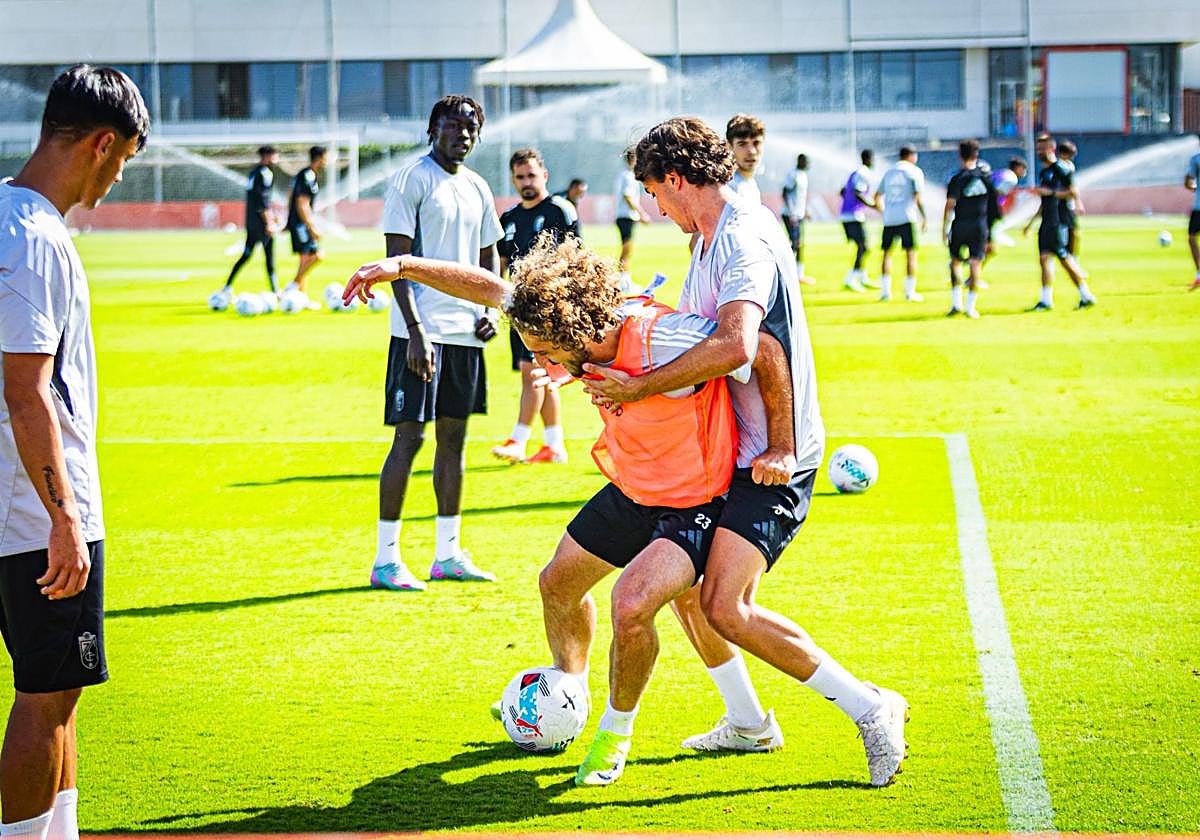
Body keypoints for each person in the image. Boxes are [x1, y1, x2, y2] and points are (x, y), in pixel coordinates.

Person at [343, 233, 797, 787]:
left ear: (574, 332)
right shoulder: (555, 317)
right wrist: (401, 266)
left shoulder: (662, 334)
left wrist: (783, 446)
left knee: (649, 605)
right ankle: (570, 693)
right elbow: (491, 289)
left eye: (543, 349)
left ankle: (616, 734)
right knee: (558, 582)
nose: (537, 359)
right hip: (635, 485)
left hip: (699, 495)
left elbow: (760, 349)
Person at [581, 117, 908, 788]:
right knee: (683, 589)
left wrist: (643, 389)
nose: (653, 208)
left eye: (654, 193)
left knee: (727, 605)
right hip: (729, 454)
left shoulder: (741, 239)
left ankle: (872, 708)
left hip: (771, 459)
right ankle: (748, 723)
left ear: (676, 179)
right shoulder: (708, 235)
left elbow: (747, 347)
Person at [0, 64, 148, 840]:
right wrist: (63, 518)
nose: (121, 175)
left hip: (25, 507)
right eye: (125, 156)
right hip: (35, 514)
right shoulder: (33, 237)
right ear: (100, 143)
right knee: (44, 695)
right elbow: (25, 391)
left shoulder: (8, 216)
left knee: (62, 690)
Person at [370, 95, 503, 592]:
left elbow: (490, 258)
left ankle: (447, 554)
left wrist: (489, 310)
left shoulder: (478, 187)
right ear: (433, 129)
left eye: (470, 127)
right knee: (409, 439)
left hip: (466, 334)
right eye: (452, 126)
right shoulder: (412, 179)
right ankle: (385, 560)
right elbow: (396, 263)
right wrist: (416, 331)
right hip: (419, 334)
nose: (462, 135)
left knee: (454, 442)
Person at [492, 149, 579, 465]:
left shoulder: (560, 210)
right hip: (518, 310)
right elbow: (498, 266)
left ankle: (518, 439)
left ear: (544, 175)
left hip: (549, 308)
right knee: (542, 375)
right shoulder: (509, 219)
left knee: (533, 373)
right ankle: (554, 445)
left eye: (531, 175)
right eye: (520, 177)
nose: (526, 182)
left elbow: (576, 257)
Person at [1023, 133, 1096, 311]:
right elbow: (1043, 201)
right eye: (1038, 148)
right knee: (1044, 259)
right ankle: (1046, 300)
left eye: (1042, 148)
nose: (1039, 152)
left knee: (1063, 258)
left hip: (1057, 221)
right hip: (1046, 221)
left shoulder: (1061, 169)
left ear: (1051, 149)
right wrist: (1030, 223)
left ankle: (1086, 295)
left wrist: (1052, 193)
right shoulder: (1044, 172)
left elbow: (1072, 192)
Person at [943, 139, 998, 319]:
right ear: (977, 154)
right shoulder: (986, 177)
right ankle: (971, 307)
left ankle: (956, 304)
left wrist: (944, 228)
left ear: (960, 155)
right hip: (980, 226)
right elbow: (993, 207)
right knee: (976, 263)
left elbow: (950, 205)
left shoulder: (957, 178)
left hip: (960, 225)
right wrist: (991, 233)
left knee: (955, 262)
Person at [218, 145, 279, 303]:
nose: (276, 160)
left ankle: (227, 287)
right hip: (260, 223)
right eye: (274, 156)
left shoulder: (254, 172)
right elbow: (262, 200)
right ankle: (275, 291)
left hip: (251, 221)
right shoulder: (265, 173)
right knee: (269, 255)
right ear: (266, 156)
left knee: (246, 254)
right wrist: (269, 222)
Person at [874, 146, 927, 303]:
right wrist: (924, 217)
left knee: (886, 254)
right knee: (910, 254)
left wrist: (884, 211)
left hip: (889, 218)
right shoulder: (914, 171)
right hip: (907, 217)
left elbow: (876, 196)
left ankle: (885, 292)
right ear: (911, 156)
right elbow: (917, 197)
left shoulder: (889, 172)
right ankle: (910, 293)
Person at [281, 145, 329, 307]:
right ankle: (292, 286)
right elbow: (302, 203)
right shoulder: (307, 176)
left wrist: (289, 220)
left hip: (297, 222)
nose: (327, 161)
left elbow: (290, 196)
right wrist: (311, 227)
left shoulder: (304, 175)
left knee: (305, 258)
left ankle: (301, 297)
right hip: (301, 224)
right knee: (317, 255)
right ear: (320, 158)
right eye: (327, 157)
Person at [839, 149, 877, 292]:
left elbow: (843, 191)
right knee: (864, 246)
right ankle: (851, 278)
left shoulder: (856, 173)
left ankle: (862, 277)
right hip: (852, 215)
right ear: (869, 159)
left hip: (849, 214)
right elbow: (857, 192)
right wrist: (873, 205)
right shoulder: (863, 173)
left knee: (863, 246)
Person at [614, 148, 649, 290]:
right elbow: (628, 196)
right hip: (626, 216)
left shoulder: (624, 175)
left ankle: (625, 280)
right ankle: (622, 281)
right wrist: (641, 213)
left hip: (624, 216)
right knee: (626, 249)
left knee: (627, 249)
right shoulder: (628, 176)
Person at [780, 153, 815, 285]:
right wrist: (792, 212)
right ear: (800, 161)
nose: (807, 164)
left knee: (799, 243)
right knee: (795, 243)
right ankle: (784, 271)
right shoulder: (793, 175)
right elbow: (785, 192)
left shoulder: (803, 175)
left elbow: (799, 197)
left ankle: (799, 274)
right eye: (805, 161)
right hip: (790, 215)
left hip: (798, 215)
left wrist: (804, 211)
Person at [726, 114, 764, 204]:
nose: (752, 151)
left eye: (756, 142)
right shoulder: (730, 188)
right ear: (729, 146)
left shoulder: (749, 182)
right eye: (742, 144)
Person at [1055, 140, 1083, 257]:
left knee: (1072, 231)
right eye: (1070, 154)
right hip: (1061, 205)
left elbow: (1072, 188)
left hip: (1067, 205)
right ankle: (1068, 257)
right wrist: (1078, 202)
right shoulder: (1060, 167)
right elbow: (1071, 189)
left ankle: (1070, 256)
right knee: (1067, 232)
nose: (1072, 157)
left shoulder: (1068, 166)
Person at [1186, 136, 1200, 290]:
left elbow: (1189, 181)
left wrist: (1193, 187)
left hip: (1199, 207)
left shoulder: (1196, 159)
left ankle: (1199, 274)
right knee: (1191, 237)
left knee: (1192, 238)